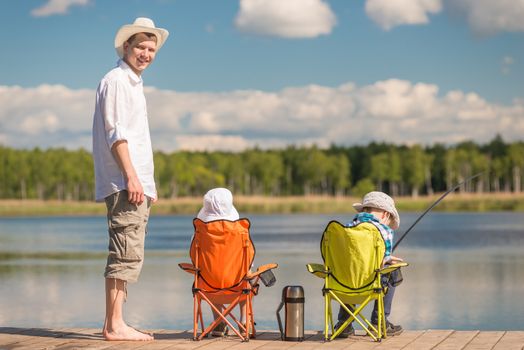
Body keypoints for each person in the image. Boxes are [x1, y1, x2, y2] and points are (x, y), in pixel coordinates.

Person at [92, 17, 169, 341]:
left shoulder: (133, 83)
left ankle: (116, 323)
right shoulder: (117, 81)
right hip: (126, 182)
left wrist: (146, 184)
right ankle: (115, 325)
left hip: (135, 183)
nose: (146, 53)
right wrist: (132, 178)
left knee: (128, 252)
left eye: (151, 49)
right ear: (126, 46)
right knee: (124, 252)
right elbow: (117, 135)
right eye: (141, 46)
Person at [334, 191, 404, 338]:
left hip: (342, 285)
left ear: (364, 210)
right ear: (385, 214)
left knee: (349, 270)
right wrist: (388, 258)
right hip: (371, 284)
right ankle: (378, 322)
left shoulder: (346, 228)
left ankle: (344, 323)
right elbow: (383, 260)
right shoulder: (384, 230)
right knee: (392, 270)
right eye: (390, 218)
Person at [196, 187, 242, 337]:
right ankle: (245, 323)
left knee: (209, 272)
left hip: (208, 289)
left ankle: (219, 324)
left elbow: (195, 261)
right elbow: (249, 262)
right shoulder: (241, 234)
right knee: (248, 275)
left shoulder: (199, 235)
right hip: (238, 288)